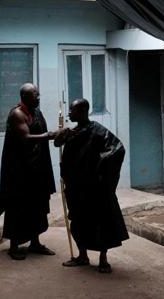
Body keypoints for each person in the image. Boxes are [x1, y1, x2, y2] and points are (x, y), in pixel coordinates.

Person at [55, 98, 129, 274]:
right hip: (76, 186)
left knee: (101, 221)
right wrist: (63, 133)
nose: (69, 114)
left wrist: (99, 168)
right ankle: (82, 256)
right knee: (78, 221)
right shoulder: (72, 132)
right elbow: (57, 144)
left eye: (72, 111)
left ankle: (103, 259)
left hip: (95, 187)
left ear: (82, 111)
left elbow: (118, 148)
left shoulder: (98, 131)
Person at [0, 83, 60, 260]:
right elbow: (25, 138)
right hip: (19, 171)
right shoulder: (17, 114)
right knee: (19, 206)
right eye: (35, 95)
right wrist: (49, 135)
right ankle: (14, 246)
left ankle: (35, 243)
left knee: (37, 205)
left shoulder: (36, 112)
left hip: (36, 168)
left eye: (38, 94)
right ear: (24, 97)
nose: (38, 97)